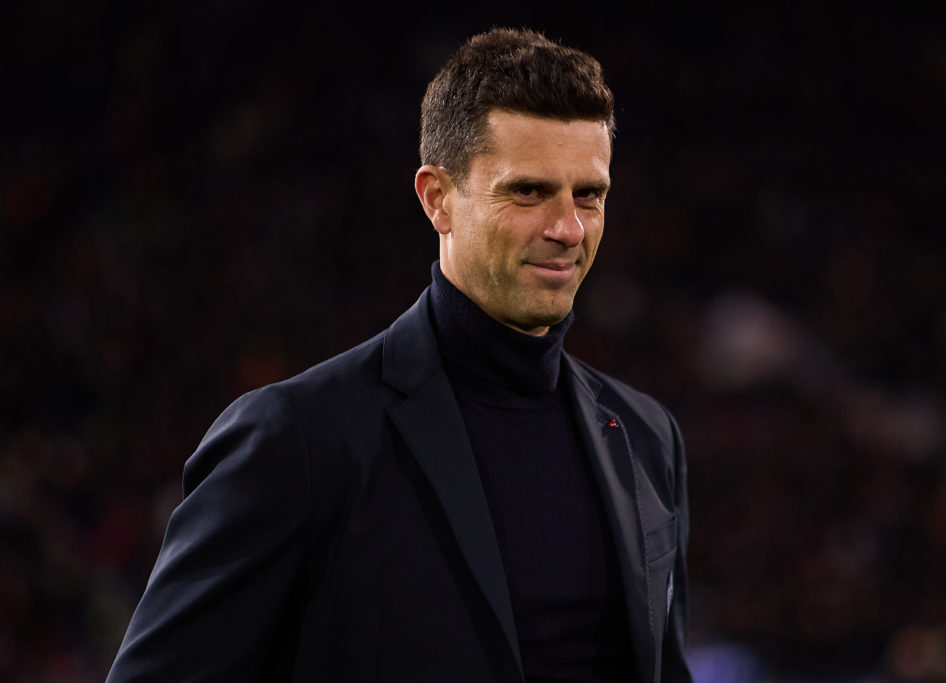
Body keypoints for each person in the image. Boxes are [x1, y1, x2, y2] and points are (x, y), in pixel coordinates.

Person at [107, 28, 692, 683]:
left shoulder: (645, 436)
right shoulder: (296, 439)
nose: (567, 228)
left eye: (589, 194)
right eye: (528, 192)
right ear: (437, 198)